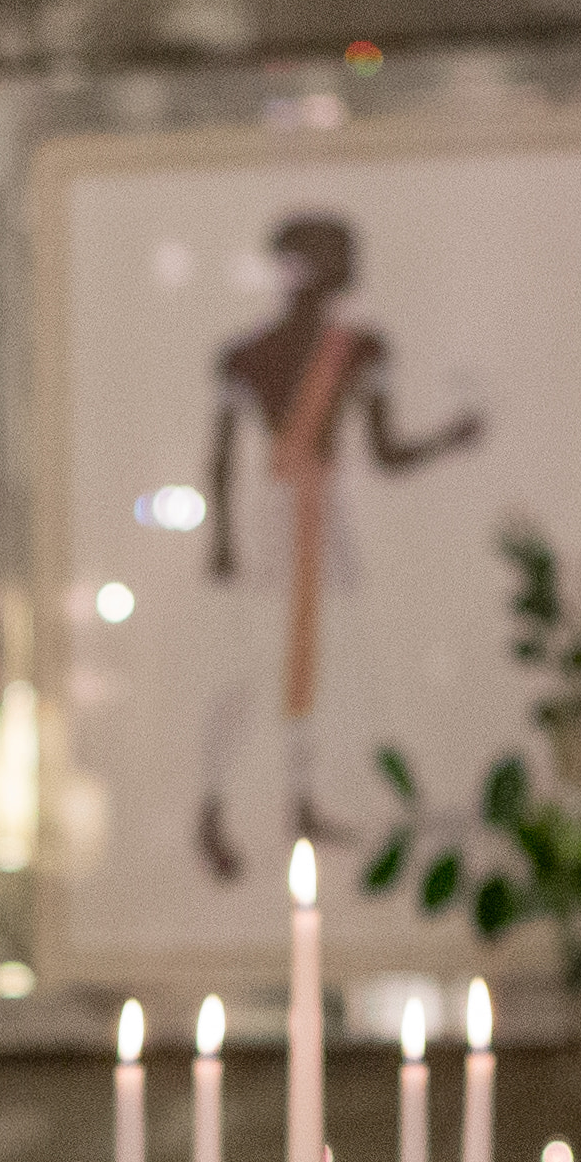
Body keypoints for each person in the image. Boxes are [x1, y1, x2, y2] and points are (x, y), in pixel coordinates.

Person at [193, 211, 485, 883]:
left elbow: (383, 452)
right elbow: (219, 458)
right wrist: (223, 542)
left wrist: (449, 439)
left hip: (325, 516)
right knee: (252, 664)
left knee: (323, 662)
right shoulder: (246, 356)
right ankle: (212, 804)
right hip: (277, 519)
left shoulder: (359, 351)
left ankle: (300, 799)